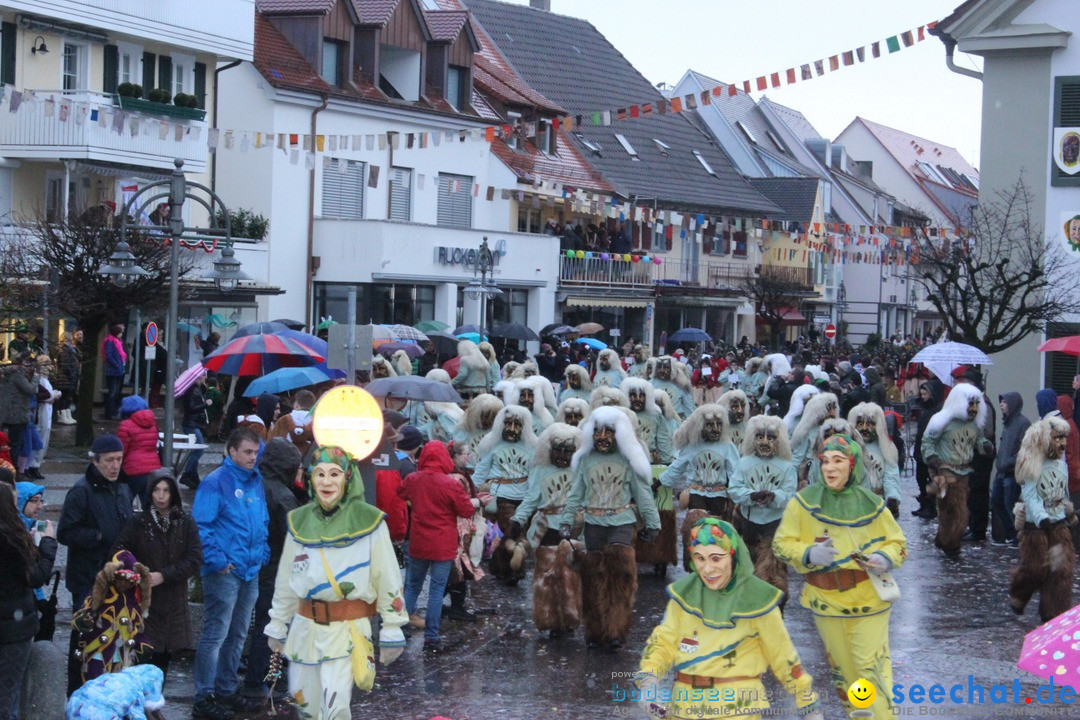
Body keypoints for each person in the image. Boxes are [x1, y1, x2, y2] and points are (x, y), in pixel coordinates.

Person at [774, 434, 906, 720]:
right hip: (827, 604)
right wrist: (808, 553)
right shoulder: (803, 503)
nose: (830, 468)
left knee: (869, 669)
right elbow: (781, 544)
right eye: (825, 461)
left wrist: (884, 558)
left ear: (853, 465)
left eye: (838, 461)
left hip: (868, 601)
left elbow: (898, 543)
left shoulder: (872, 503)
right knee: (846, 677)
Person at [636, 518, 821, 720]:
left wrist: (808, 705)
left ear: (733, 556)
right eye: (700, 558)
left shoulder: (757, 600)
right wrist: (649, 681)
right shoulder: (684, 596)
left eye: (716, 558)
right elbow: (663, 642)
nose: (707, 569)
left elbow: (783, 657)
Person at [559, 406, 660, 651]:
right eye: (598, 432)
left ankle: (616, 631)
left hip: (621, 523)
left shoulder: (628, 460)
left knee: (619, 579)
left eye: (609, 432)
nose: (603, 437)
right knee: (593, 579)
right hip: (594, 525)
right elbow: (575, 493)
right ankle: (595, 631)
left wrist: (654, 524)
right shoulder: (585, 460)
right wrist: (566, 520)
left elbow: (643, 494)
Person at [191, 428, 269, 720]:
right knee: (216, 632)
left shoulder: (255, 480)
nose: (253, 457)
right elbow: (202, 526)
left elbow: (261, 519)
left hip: (250, 568)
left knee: (238, 633)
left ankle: (225, 687)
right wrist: (217, 560)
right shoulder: (216, 483)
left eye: (255, 452)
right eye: (247, 452)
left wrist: (262, 554)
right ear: (231, 451)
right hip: (225, 571)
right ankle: (204, 694)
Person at [58, 433, 133, 695]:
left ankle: (103, 693)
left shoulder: (123, 487)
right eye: (110, 460)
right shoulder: (81, 491)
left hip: (116, 580)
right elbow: (65, 533)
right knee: (83, 638)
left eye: (119, 459)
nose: (115, 465)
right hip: (87, 578)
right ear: (96, 461)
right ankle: (75, 692)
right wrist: (98, 536)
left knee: (111, 638)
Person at [112, 468, 202, 684]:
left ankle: (154, 704)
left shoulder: (185, 522)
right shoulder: (139, 523)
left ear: (173, 494)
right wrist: (138, 572)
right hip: (144, 603)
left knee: (164, 659)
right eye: (157, 491)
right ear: (150, 493)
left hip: (173, 601)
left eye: (166, 491)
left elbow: (195, 558)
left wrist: (164, 575)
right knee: (143, 655)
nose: (161, 496)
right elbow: (119, 552)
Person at [398, 441, 479, 651]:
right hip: (443, 544)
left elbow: (401, 492)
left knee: (413, 587)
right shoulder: (450, 483)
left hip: (418, 542)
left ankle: (400, 629)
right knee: (436, 590)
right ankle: (431, 638)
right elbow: (466, 510)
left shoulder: (413, 479)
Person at [509, 423, 583, 636]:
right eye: (557, 450)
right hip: (546, 529)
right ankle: (549, 618)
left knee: (570, 575)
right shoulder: (540, 470)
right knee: (547, 576)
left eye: (566, 450)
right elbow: (531, 498)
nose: (561, 455)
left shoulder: (580, 469)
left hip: (573, 529)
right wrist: (518, 520)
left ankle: (569, 616)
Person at [242, 439, 301, 704]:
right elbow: (295, 538)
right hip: (276, 569)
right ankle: (260, 680)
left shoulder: (253, 483)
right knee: (270, 627)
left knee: (256, 626)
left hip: (252, 564)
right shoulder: (283, 496)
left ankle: (258, 677)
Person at [1010, 418, 1077, 622]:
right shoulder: (1033, 465)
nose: (1062, 443)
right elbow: (1031, 496)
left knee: (1061, 571)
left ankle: (1053, 615)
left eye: (1064, 438)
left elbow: (1062, 493)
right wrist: (1041, 518)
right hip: (1035, 528)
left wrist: (1068, 513)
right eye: (1057, 438)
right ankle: (1019, 594)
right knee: (1035, 569)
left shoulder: (1061, 465)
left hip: (1058, 525)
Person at [0, 483, 57, 719]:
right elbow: (35, 577)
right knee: (7, 698)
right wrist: (47, 544)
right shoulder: (9, 539)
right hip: (13, 628)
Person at [727, 415, 797, 600]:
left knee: (772, 571)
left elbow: (790, 494)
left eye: (771, 437)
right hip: (748, 524)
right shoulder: (743, 463)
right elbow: (734, 489)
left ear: (779, 440)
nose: (765, 442)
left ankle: (773, 603)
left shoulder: (787, 467)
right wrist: (751, 496)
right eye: (760, 437)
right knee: (746, 567)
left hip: (775, 525)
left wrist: (775, 497)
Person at [922, 383, 993, 559]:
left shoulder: (974, 425)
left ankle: (944, 539)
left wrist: (986, 446)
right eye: (971, 403)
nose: (974, 408)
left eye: (977, 403)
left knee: (949, 511)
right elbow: (927, 442)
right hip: (946, 471)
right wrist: (932, 459)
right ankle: (951, 545)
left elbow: (980, 442)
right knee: (959, 512)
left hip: (965, 473)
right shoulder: (943, 421)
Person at [472, 406, 537, 585]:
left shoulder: (532, 447)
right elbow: (481, 471)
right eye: (508, 424)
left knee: (515, 533)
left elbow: (535, 474)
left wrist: (536, 496)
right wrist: (468, 489)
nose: (512, 429)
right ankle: (513, 570)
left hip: (524, 497)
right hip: (501, 497)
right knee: (511, 532)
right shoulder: (493, 445)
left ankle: (503, 568)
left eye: (517, 424)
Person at [444, 441, 489, 622]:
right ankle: (455, 607)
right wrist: (479, 502)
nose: (468, 457)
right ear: (455, 456)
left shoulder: (460, 475)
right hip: (459, 528)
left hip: (462, 526)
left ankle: (454, 605)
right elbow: (459, 503)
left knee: (460, 568)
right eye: (466, 454)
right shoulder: (456, 478)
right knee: (459, 568)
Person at [849, 402, 902, 517]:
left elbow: (891, 475)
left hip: (878, 504)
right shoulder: (848, 448)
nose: (864, 428)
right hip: (854, 504)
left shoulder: (886, 448)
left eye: (870, 424)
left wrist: (892, 498)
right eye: (860, 423)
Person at [992, 392, 1030, 548]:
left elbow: (1024, 450)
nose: (1001, 405)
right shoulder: (1007, 422)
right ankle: (1010, 533)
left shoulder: (1023, 424)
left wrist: (1009, 462)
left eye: (1004, 402)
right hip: (1001, 471)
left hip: (1012, 473)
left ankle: (1016, 536)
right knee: (996, 501)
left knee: (1010, 504)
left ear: (1013, 404)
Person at [117, 395, 162, 505]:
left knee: (124, 505)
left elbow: (122, 450)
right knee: (150, 508)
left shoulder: (125, 425)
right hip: (153, 469)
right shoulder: (152, 423)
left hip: (132, 470)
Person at [0, 354, 37, 481]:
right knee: (15, 445)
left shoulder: (10, 373)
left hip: (10, 415)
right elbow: (30, 389)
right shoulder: (18, 374)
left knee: (14, 445)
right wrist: (36, 378)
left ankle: (13, 470)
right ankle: (14, 472)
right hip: (15, 416)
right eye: (29, 363)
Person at [912, 378, 945, 519]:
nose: (923, 397)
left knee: (929, 479)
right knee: (920, 478)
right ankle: (924, 505)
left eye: (925, 394)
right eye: (922, 394)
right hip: (921, 451)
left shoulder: (937, 411)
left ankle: (930, 507)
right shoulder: (927, 409)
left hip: (929, 453)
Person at [26, 355, 61, 480]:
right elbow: (42, 396)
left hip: (47, 411)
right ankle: (32, 466)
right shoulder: (38, 379)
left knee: (44, 437)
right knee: (40, 437)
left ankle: (36, 465)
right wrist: (53, 395)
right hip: (40, 412)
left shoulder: (45, 379)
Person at [181, 375, 212, 489]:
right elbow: (191, 407)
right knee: (199, 450)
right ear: (197, 378)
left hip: (194, 424)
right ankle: (187, 473)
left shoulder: (196, 389)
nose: (205, 378)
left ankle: (193, 476)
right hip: (191, 425)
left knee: (196, 450)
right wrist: (206, 404)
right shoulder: (192, 390)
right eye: (203, 376)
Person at [55, 329, 83, 425]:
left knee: (67, 398)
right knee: (64, 398)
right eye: (70, 338)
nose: (72, 340)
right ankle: (62, 416)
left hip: (70, 378)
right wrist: (72, 375)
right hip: (65, 379)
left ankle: (67, 415)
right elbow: (65, 365)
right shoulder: (64, 350)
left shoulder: (71, 349)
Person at [102, 324, 127, 420]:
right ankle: (109, 413)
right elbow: (109, 356)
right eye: (120, 332)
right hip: (113, 371)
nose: (121, 334)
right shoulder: (110, 341)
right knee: (112, 392)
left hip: (118, 370)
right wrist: (117, 365)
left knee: (116, 392)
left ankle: (113, 411)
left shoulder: (118, 341)